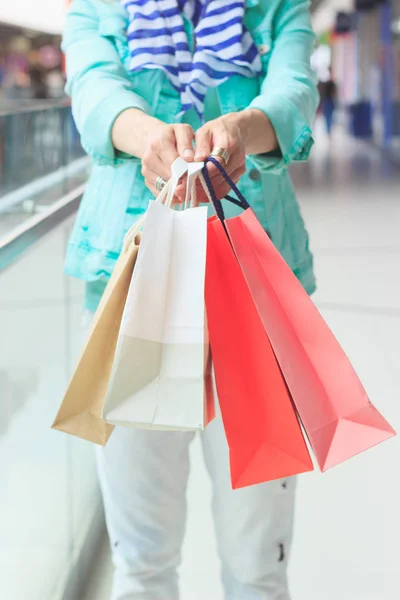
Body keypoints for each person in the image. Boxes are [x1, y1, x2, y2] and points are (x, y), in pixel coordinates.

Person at [63, 1, 318, 598]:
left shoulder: (281, 6)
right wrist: (148, 136)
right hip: (130, 293)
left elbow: (295, 86)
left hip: (256, 294)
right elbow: (94, 85)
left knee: (259, 564)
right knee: (142, 562)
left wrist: (241, 128)